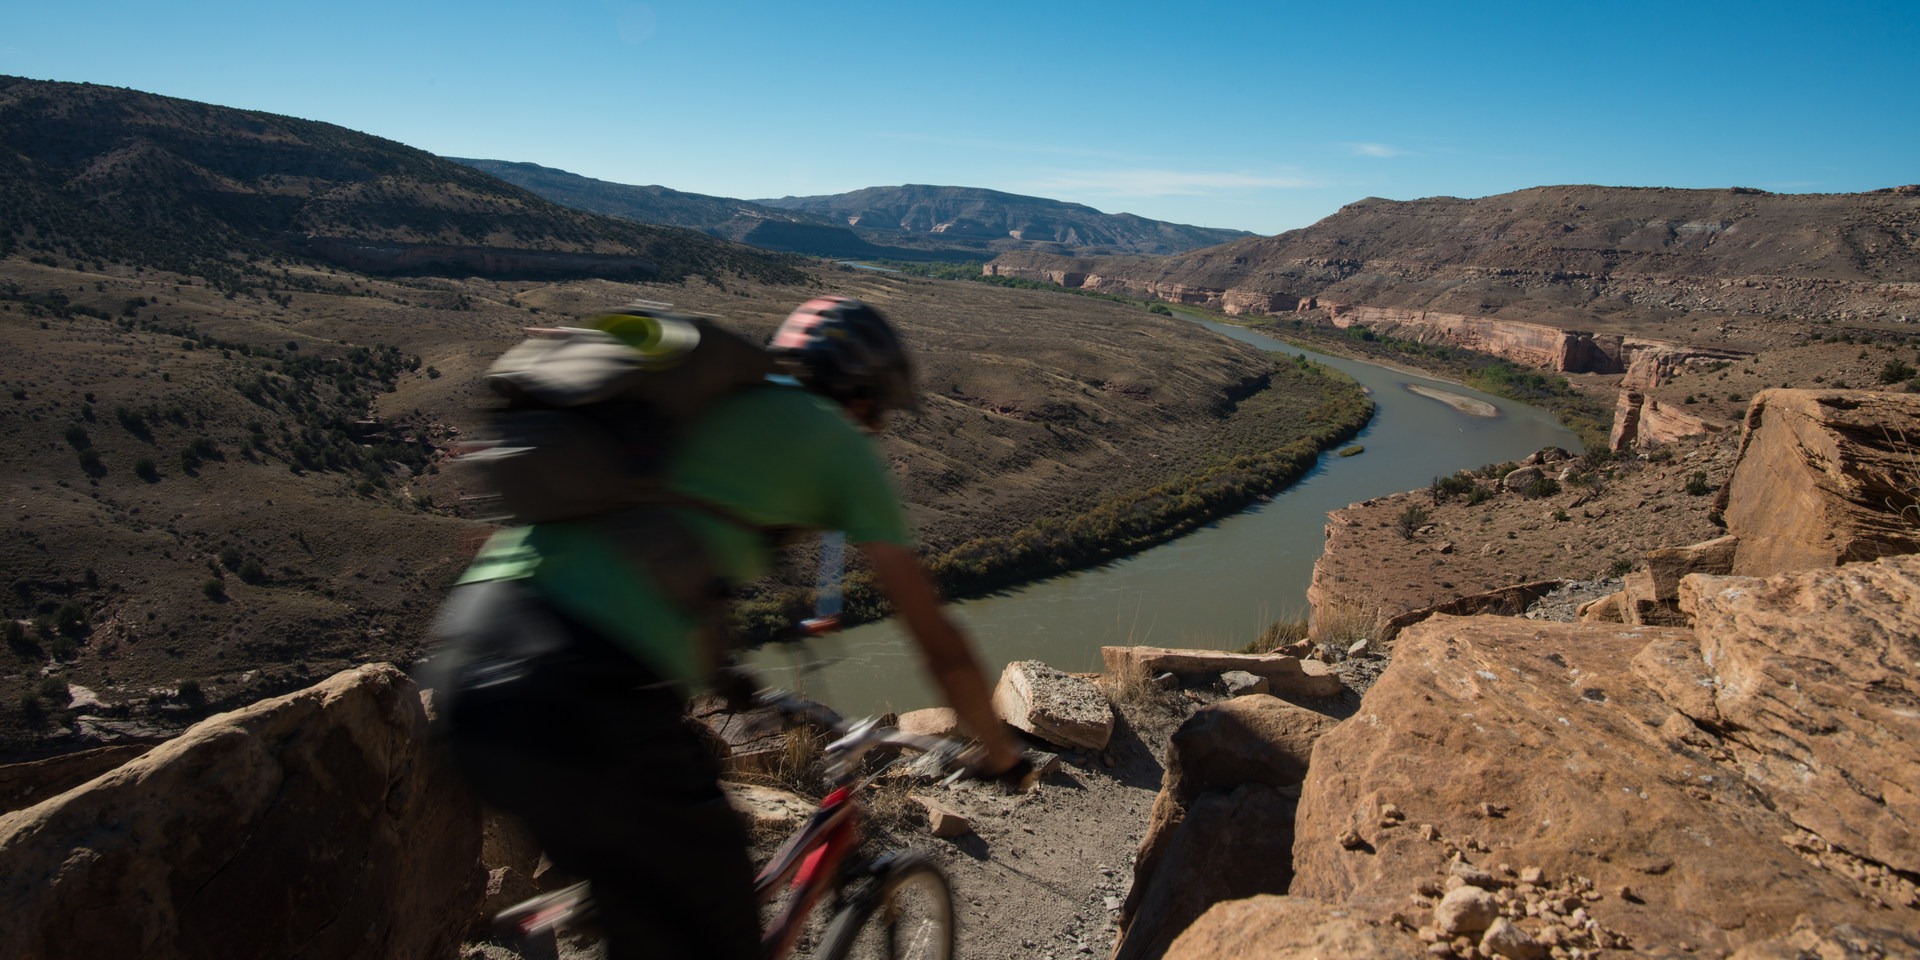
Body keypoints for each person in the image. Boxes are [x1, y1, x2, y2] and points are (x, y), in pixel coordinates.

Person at [423, 295, 1024, 960]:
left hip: (470, 656)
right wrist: (1000, 754)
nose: (876, 428)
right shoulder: (835, 438)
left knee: (648, 890)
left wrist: (726, 675)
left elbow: (654, 550)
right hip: (583, 693)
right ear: (862, 395)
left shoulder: (700, 404)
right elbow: (939, 643)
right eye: (879, 412)